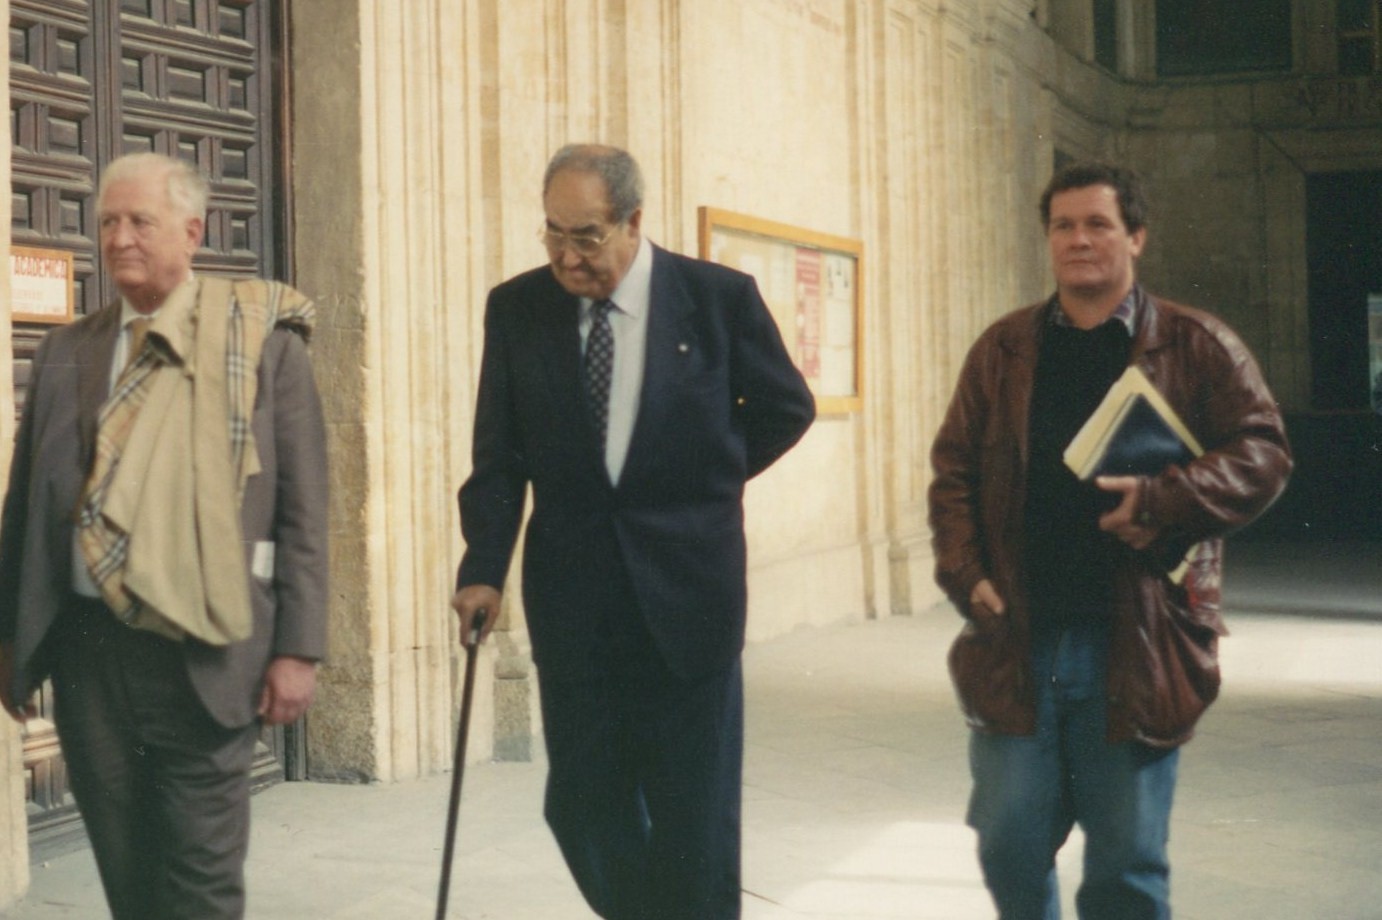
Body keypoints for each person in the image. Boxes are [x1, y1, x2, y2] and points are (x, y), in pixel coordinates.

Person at [451, 143, 814, 919]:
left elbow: (789, 408)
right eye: (552, 232)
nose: (565, 256)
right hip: (576, 601)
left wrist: (707, 478)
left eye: (586, 236)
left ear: (634, 222)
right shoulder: (517, 309)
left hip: (690, 597)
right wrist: (482, 566)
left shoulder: (717, 299)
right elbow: (497, 455)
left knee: (695, 822)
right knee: (580, 803)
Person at [929, 161, 1292, 919]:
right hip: (1017, 634)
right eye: (1063, 225)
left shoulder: (1197, 344)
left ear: (1136, 237)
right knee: (1008, 841)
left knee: (1126, 863)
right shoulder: (1003, 350)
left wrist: (1165, 497)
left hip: (1136, 638)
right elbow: (953, 471)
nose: (1079, 240)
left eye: (1098, 224)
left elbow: (1264, 453)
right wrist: (965, 574)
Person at [0, 152, 329, 920]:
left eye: (139, 222)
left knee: (201, 880)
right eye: (107, 221)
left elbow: (303, 511)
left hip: (207, 651)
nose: (118, 239)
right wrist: (9, 638)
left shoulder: (262, 346)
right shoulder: (65, 351)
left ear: (191, 231)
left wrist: (298, 648)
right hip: (89, 655)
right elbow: (24, 509)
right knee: (127, 873)